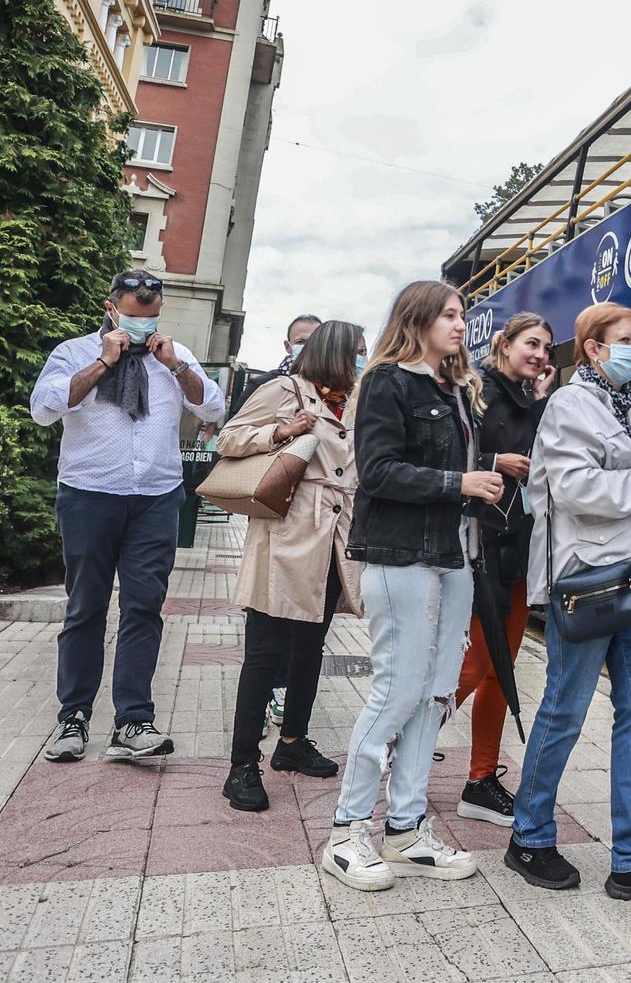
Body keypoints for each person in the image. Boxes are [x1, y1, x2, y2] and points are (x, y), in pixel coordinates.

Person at [505, 302, 631, 901]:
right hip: (592, 581)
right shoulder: (571, 404)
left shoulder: (623, 407)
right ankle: (530, 834)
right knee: (565, 710)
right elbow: (573, 489)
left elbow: (630, 483)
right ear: (594, 348)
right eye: (624, 340)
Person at [320, 281, 505, 892]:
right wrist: (461, 483)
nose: (461, 325)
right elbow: (377, 471)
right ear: (417, 319)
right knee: (397, 689)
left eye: (462, 315)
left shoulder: (456, 392)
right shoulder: (385, 382)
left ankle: (405, 828)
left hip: (453, 557)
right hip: (398, 555)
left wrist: (480, 484)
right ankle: (348, 832)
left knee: (435, 691)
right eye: (450, 315)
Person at [31, 269, 227, 762]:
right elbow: (45, 407)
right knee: (86, 607)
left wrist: (177, 367)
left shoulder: (172, 354)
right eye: (136, 317)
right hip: (89, 494)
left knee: (144, 608)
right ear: (111, 308)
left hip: (157, 498)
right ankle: (73, 718)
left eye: (153, 316)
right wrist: (103, 362)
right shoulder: (75, 352)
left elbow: (213, 408)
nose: (145, 325)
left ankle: (133, 721)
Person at [216, 321, 368, 813]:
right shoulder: (284, 390)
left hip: (333, 539)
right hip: (286, 536)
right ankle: (242, 765)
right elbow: (229, 439)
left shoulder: (356, 399)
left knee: (311, 647)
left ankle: (293, 742)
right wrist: (281, 430)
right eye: (356, 352)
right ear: (333, 354)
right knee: (264, 653)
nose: (362, 361)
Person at [452, 311, 556, 825]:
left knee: (501, 669)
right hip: (479, 549)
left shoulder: (533, 399)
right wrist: (496, 463)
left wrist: (540, 403)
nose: (539, 355)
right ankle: (396, 751)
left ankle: (481, 778)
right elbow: (452, 454)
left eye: (546, 348)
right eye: (531, 344)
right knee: (470, 667)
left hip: (519, 549)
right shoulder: (474, 388)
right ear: (505, 343)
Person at [234, 312, 324, 731]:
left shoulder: (340, 394)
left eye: (315, 338)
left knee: (306, 638)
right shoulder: (272, 385)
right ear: (287, 346)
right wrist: (281, 431)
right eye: (300, 340)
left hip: (320, 534)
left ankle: (292, 729)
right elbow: (231, 438)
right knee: (268, 631)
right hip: (276, 517)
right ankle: (258, 720)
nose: (307, 346)